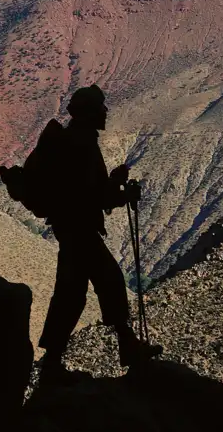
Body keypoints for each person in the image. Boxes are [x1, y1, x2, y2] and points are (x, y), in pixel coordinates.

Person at [37, 85, 162, 385]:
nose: (106, 112)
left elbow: (87, 193)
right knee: (108, 281)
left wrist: (113, 187)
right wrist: (120, 189)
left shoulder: (76, 141)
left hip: (72, 229)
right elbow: (92, 197)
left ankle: (53, 361)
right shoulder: (82, 144)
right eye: (101, 107)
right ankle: (127, 347)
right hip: (79, 230)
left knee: (73, 294)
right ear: (89, 112)